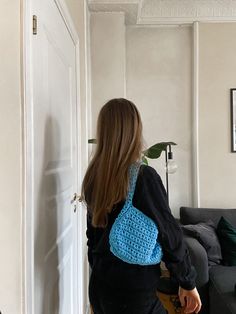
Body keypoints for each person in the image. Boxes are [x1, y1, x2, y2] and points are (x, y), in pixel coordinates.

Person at [82, 98, 202, 314]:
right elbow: (170, 235)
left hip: (100, 287)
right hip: (133, 293)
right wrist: (187, 282)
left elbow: (92, 236)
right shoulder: (143, 177)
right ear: (134, 131)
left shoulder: (93, 177)